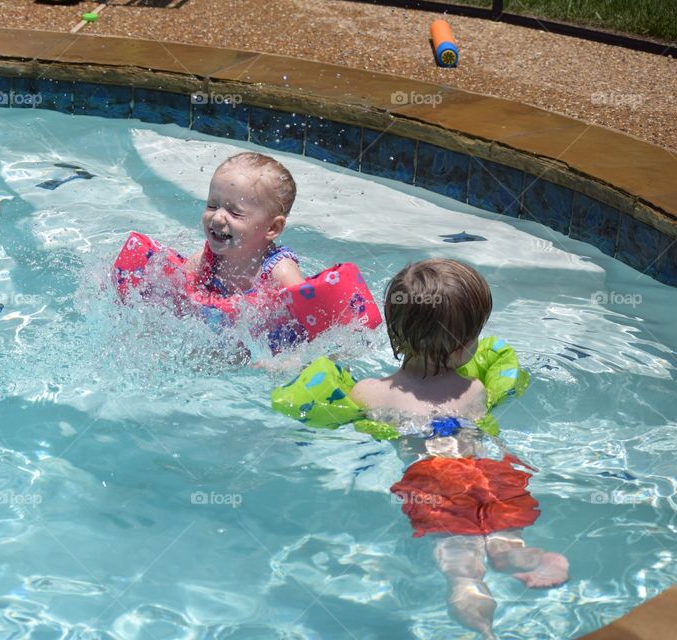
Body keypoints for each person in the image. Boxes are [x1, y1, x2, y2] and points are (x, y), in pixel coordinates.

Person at [348, 258, 569, 640]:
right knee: (499, 519)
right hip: (482, 469)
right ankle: (510, 550)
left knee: (459, 554)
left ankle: (469, 598)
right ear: (465, 347)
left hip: (430, 479)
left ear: (395, 334)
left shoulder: (370, 393)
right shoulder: (474, 391)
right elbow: (486, 434)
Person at [183, 152, 305, 297]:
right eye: (212, 205)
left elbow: (304, 310)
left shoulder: (280, 272)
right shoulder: (207, 260)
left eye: (235, 213)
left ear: (272, 228)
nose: (217, 218)